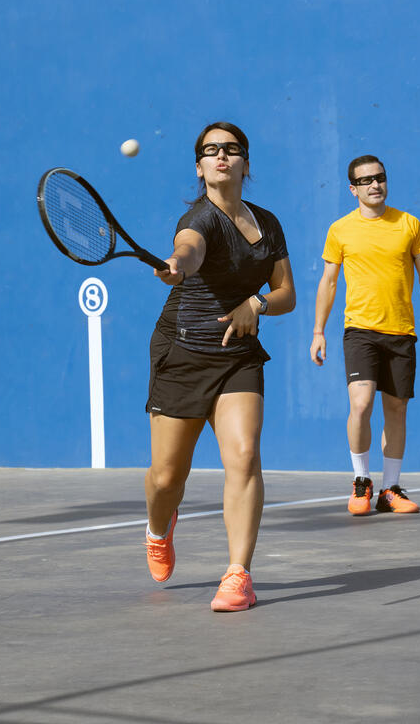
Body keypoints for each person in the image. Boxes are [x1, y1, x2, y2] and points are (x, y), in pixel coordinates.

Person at [144, 121, 296, 611]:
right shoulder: (199, 219)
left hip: (238, 355)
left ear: (245, 162)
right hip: (183, 353)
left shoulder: (268, 223)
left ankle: (238, 574)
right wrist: (178, 265)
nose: (221, 156)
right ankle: (158, 525)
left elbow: (286, 293)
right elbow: (188, 249)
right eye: (211, 151)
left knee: (245, 455)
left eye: (231, 149)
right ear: (199, 166)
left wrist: (258, 305)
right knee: (168, 478)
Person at [310, 155, 420, 515]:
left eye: (380, 178)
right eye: (366, 180)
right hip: (360, 331)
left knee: (396, 409)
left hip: (401, 331)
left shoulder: (409, 225)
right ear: (353, 189)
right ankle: (361, 480)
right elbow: (328, 281)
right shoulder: (340, 230)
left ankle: (390, 489)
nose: (375, 185)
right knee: (361, 405)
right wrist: (318, 331)